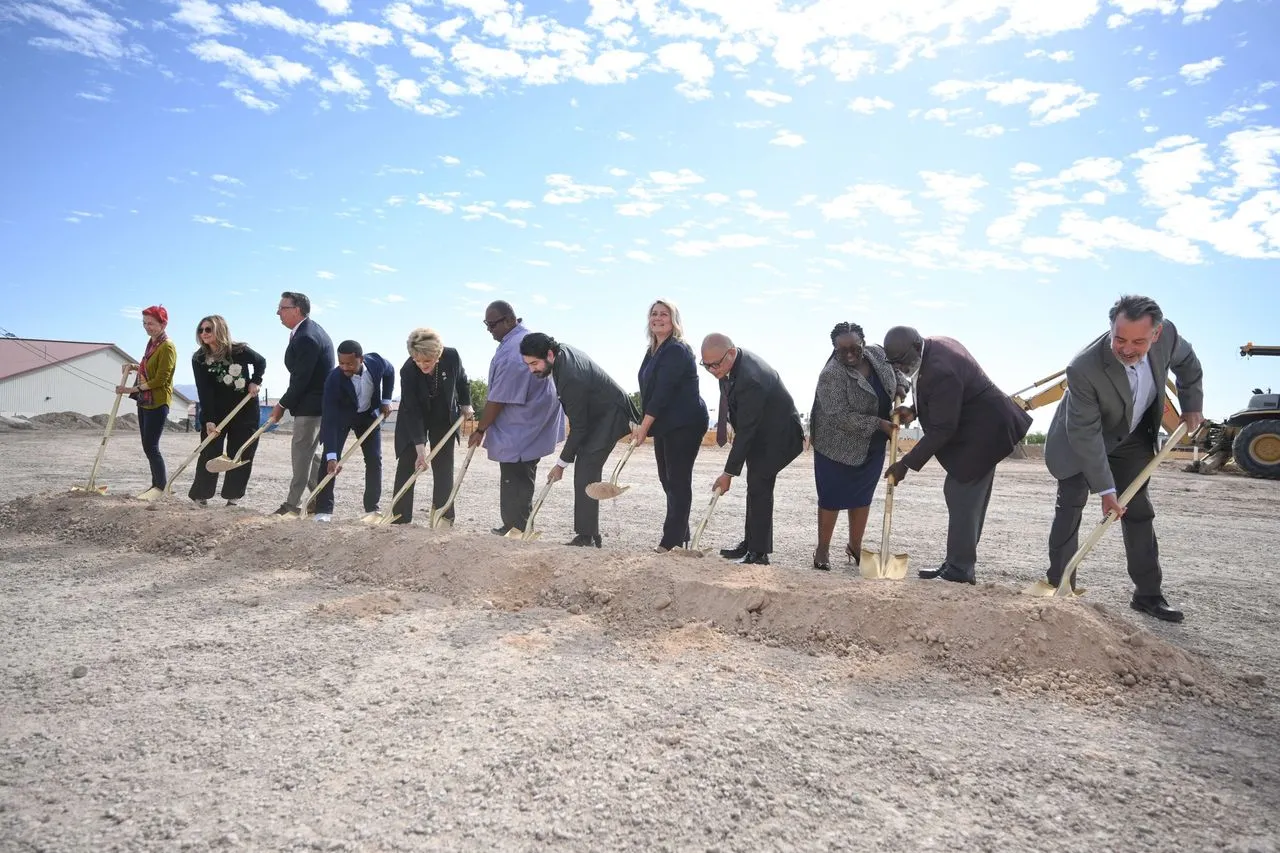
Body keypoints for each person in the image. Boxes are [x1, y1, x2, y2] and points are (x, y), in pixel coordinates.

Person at [1041, 294, 1204, 622]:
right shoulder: (1084, 367)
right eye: (1120, 339)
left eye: (1139, 341)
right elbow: (1086, 434)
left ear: (1156, 334)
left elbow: (1188, 364)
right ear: (1111, 328)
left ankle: (1148, 595)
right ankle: (1061, 588)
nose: (1127, 349)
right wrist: (1106, 490)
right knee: (1070, 507)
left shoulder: (1168, 336)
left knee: (1138, 511)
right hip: (1081, 438)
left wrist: (1191, 404)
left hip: (1131, 436)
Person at [882, 325, 1032, 584]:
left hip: (983, 435)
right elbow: (941, 398)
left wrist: (905, 464)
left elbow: (943, 428)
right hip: (979, 430)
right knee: (966, 500)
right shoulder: (934, 348)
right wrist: (915, 410)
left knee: (962, 495)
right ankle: (958, 562)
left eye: (903, 362)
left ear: (917, 347)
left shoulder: (941, 370)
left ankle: (960, 569)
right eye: (895, 364)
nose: (901, 369)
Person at [519, 333, 639, 548]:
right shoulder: (561, 353)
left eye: (534, 363)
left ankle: (587, 537)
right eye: (528, 364)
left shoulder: (570, 377)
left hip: (610, 415)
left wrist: (561, 464)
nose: (532, 369)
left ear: (549, 354)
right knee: (586, 467)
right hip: (597, 414)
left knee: (586, 467)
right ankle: (591, 534)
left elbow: (579, 428)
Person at [808, 322, 909, 571]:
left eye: (855, 347)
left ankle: (855, 547)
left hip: (871, 443)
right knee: (831, 498)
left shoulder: (877, 354)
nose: (849, 354)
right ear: (834, 349)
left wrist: (901, 387)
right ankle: (822, 549)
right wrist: (879, 424)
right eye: (842, 350)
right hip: (835, 443)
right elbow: (839, 416)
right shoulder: (831, 374)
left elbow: (897, 373)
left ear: (863, 342)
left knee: (861, 498)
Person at [701, 333, 804, 566]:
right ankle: (751, 543)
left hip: (779, 435)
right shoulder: (727, 366)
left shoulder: (751, 379)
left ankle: (758, 554)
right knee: (755, 485)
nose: (711, 370)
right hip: (761, 432)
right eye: (705, 365)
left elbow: (746, 430)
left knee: (759, 486)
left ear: (730, 353)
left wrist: (727, 474)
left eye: (714, 365)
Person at [468, 301, 566, 535]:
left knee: (517, 474)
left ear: (510, 320)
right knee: (516, 473)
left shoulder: (515, 350)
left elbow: (498, 397)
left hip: (524, 423)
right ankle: (515, 524)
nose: (489, 329)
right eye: (486, 324)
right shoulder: (514, 341)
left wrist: (481, 429)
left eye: (493, 324)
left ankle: (518, 527)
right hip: (526, 421)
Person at [631, 299, 708, 552]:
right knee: (667, 479)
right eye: (654, 314)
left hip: (685, 422)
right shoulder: (653, 349)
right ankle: (680, 533)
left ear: (674, 320)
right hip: (666, 423)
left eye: (664, 314)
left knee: (677, 480)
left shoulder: (677, 349)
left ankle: (671, 541)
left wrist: (644, 426)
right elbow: (649, 391)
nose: (658, 318)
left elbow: (663, 391)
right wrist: (642, 422)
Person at [391, 328, 472, 525]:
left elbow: (462, 380)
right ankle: (399, 516)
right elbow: (412, 410)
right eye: (417, 360)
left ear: (438, 354)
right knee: (408, 461)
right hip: (414, 414)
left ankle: (443, 516)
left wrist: (466, 403)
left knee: (443, 464)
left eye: (426, 361)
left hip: (442, 414)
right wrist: (420, 448)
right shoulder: (408, 370)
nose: (421, 365)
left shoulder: (451, 356)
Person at [187, 315, 266, 507]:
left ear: (219, 330)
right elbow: (203, 390)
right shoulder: (199, 358)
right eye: (201, 330)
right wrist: (209, 419)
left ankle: (233, 497)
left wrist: (255, 381)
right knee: (209, 451)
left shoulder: (238, 351)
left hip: (245, 409)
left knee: (240, 451)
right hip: (217, 411)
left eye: (208, 329)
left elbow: (260, 361)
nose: (204, 333)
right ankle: (201, 494)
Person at [314, 340, 394, 522]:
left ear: (361, 359)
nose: (344, 367)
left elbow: (390, 372)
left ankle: (372, 509)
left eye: (349, 363)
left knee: (374, 460)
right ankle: (323, 510)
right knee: (329, 460)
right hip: (341, 418)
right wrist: (333, 455)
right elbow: (330, 419)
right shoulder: (334, 380)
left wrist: (386, 399)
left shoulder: (377, 362)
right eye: (341, 363)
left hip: (367, 417)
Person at [270, 292, 334, 517]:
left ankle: (292, 506)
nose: (278, 312)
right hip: (313, 403)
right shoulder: (307, 331)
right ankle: (319, 499)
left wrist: (282, 405)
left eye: (282, 308)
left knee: (300, 453)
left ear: (296, 310)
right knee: (309, 454)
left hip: (311, 405)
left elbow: (301, 378)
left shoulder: (307, 336)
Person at [116, 305, 177, 498]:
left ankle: (161, 487)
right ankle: (156, 486)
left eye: (151, 323)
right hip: (144, 401)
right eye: (144, 323)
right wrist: (133, 366)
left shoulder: (167, 346)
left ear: (163, 323)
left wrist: (130, 390)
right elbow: (148, 367)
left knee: (151, 446)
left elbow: (161, 379)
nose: (147, 327)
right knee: (146, 445)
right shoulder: (152, 344)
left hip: (158, 401)